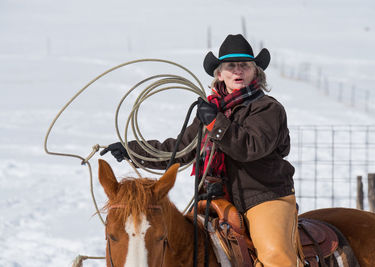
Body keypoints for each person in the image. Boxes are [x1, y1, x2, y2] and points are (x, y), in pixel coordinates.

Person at [101, 34, 303, 267]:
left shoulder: (267, 109)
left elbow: (250, 147)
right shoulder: (213, 111)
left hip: (263, 198)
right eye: (231, 66)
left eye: (245, 65)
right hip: (214, 201)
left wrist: (214, 124)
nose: (238, 71)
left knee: (275, 258)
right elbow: (179, 150)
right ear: (219, 73)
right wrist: (132, 151)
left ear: (255, 71)